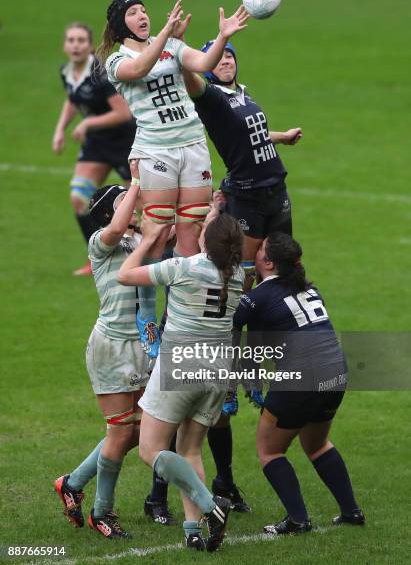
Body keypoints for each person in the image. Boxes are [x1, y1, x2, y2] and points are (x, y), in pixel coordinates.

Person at [180, 35, 302, 503]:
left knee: (286, 271)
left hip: (274, 189)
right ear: (210, 67)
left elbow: (247, 136)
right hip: (247, 195)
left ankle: (276, 355)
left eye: (230, 56)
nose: (227, 61)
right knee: (244, 281)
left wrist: (280, 138)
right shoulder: (207, 94)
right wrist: (210, 39)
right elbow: (194, 76)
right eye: (220, 58)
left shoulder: (242, 93)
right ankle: (239, 368)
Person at [97, 0, 248, 356]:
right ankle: (148, 315)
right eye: (133, 13)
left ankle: (182, 315)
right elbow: (140, 70)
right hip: (156, 151)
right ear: (121, 25)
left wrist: (223, 36)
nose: (142, 16)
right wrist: (166, 34)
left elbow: (202, 62)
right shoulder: (117, 60)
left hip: (192, 146)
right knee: (155, 232)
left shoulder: (171, 44)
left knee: (190, 232)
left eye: (143, 10)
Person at [117, 207, 244, 552]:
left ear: (208, 240)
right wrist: (217, 212)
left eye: (204, 228)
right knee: (190, 450)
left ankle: (210, 507)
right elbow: (217, 242)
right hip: (217, 372)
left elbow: (125, 276)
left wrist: (147, 240)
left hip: (181, 366)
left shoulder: (185, 267)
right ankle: (192, 530)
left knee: (151, 449)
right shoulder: (236, 276)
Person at [233, 232, 365, 534]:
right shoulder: (309, 288)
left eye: (260, 248)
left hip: (301, 377)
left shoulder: (258, 296)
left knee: (269, 450)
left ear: (267, 261)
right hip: (336, 372)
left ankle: (297, 520)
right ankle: (351, 511)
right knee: (316, 445)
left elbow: (230, 322)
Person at [54, 161, 151, 539]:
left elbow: (166, 231)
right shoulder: (101, 242)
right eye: (127, 200)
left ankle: (73, 483)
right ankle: (101, 513)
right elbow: (114, 227)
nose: (136, 202)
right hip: (111, 347)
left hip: (139, 345)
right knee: (120, 431)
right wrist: (137, 181)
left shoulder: (137, 240)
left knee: (140, 431)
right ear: (114, 210)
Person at [52, 22, 136, 275]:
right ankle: (96, 258)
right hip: (97, 144)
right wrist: (60, 130)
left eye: (80, 40)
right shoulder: (67, 71)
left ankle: (138, 255)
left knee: (137, 205)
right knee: (78, 197)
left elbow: (124, 112)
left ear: (89, 46)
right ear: (65, 45)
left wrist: (88, 122)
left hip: (124, 142)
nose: (75, 45)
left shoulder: (99, 73)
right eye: (71, 40)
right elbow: (73, 99)